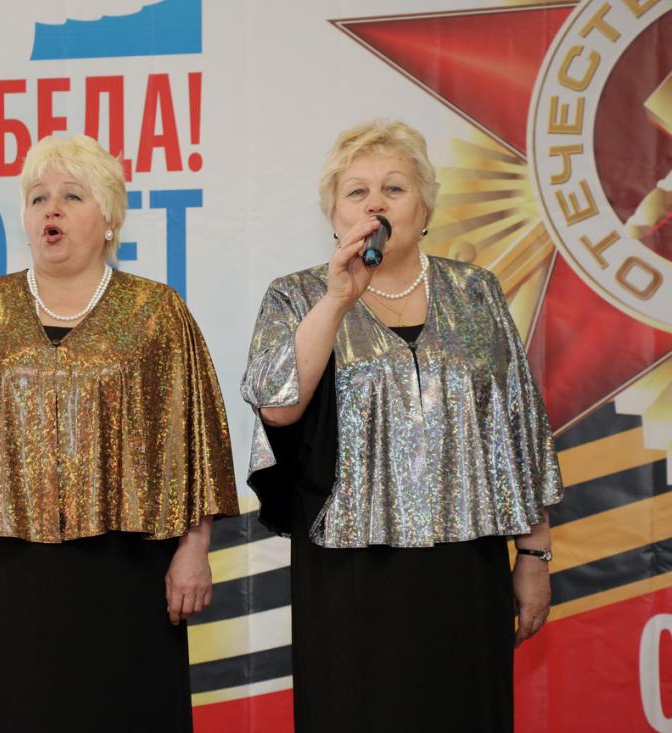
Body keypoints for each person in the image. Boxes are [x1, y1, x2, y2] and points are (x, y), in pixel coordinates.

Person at [0, 134, 239, 733]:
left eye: (72, 196)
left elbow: (197, 440)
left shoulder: (156, 310)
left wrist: (193, 549)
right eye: (38, 198)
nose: (50, 209)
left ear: (109, 220)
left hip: (127, 567)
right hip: (11, 570)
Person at [241, 119, 563, 733]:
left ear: (424, 208)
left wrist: (533, 554)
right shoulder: (297, 296)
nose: (376, 204)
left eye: (394, 187)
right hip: (349, 568)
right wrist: (337, 299)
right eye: (356, 192)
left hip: (464, 565)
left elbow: (518, 428)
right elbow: (278, 405)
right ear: (334, 215)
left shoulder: (476, 291)